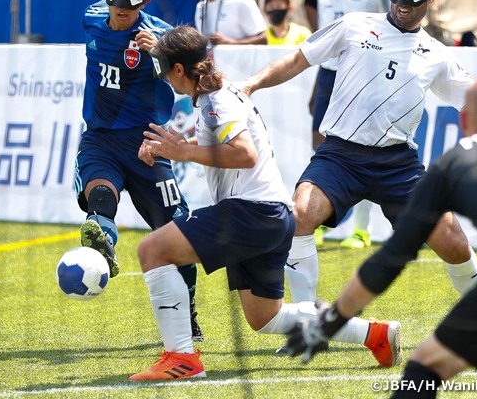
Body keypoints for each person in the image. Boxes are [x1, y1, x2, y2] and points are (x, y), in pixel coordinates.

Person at [129, 25, 401, 381]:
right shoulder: (219, 93)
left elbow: (244, 154)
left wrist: (183, 151)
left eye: (164, 68)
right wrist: (177, 145)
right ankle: (374, 333)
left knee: (153, 250)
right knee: (265, 318)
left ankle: (182, 358)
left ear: (179, 70)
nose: (164, 76)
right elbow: (225, 140)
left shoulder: (217, 99)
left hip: (251, 213)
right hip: (272, 215)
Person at [238, 0, 477, 305]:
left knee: (456, 246)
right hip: (340, 156)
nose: (404, 1)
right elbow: (297, 58)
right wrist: (250, 84)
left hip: (398, 165)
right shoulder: (353, 25)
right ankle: (308, 318)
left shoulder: (438, 55)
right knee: (299, 216)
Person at [282, 74, 477, 398]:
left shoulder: (452, 165)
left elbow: (390, 260)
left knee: (425, 367)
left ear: (464, 119)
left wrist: (330, 321)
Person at [75, 0, 203, 341]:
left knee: (176, 231)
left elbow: (197, 71)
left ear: (146, 1)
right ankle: (103, 244)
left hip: (148, 141)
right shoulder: (92, 17)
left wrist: (161, 56)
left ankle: (189, 314)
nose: (123, 5)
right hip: (99, 138)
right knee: (100, 197)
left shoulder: (162, 37)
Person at [308, 0, 391, 250]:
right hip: (329, 77)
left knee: (363, 151)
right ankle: (318, 222)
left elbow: (392, 30)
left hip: (364, 78)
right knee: (321, 150)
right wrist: (316, 86)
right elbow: (323, 43)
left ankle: (361, 230)